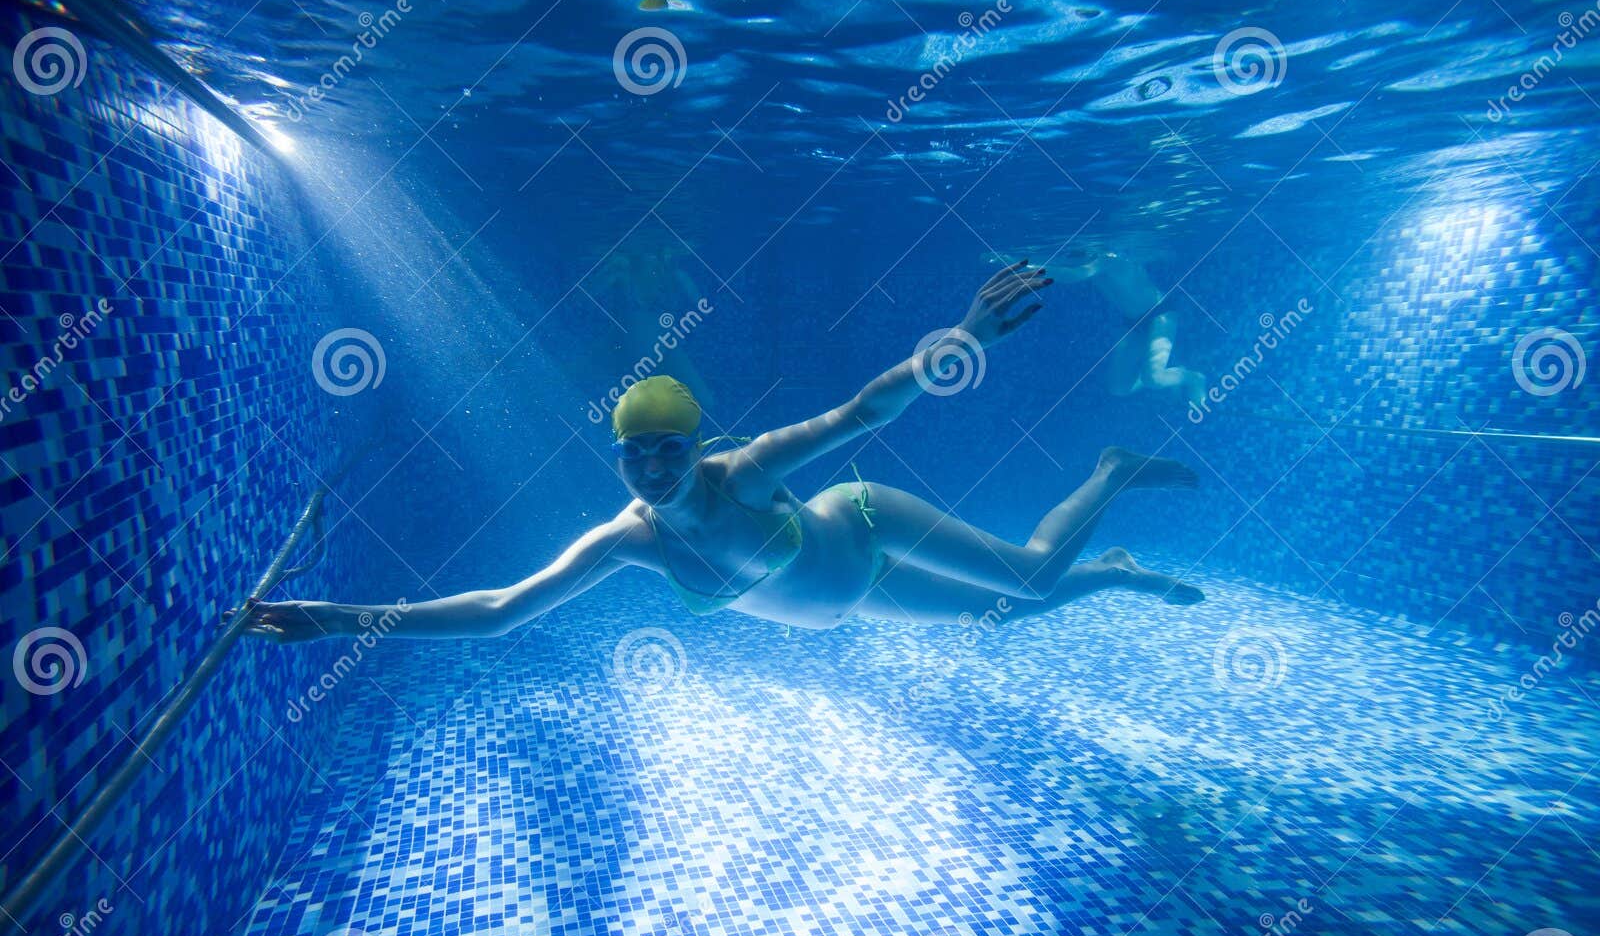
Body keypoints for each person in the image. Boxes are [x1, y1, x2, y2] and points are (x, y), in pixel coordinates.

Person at [234, 263, 1203, 643]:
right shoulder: (626, 541)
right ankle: (1114, 573)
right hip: (849, 597)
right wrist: (336, 617)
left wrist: (960, 335)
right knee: (1000, 612)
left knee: (1027, 581)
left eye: (667, 450)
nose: (651, 468)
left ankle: (1111, 471)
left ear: (694, 448)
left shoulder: (743, 470)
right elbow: (496, 611)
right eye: (633, 455)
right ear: (619, 462)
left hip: (858, 528)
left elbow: (864, 412)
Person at [1051, 246, 1206, 407]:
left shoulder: (1105, 260)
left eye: (1075, 253)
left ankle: (1193, 378)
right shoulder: (1088, 262)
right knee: (1119, 388)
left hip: (1160, 313)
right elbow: (1066, 269)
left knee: (1153, 379)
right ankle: (1166, 372)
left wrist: (1028, 270)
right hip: (1132, 322)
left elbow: (1073, 274)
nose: (1072, 258)